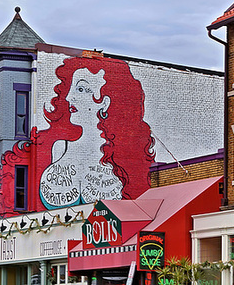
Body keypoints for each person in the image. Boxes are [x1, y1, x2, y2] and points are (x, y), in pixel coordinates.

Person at [37, 56, 154, 209]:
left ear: (105, 103)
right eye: (72, 88)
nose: (69, 97)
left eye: (81, 89)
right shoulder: (60, 148)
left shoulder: (120, 159)